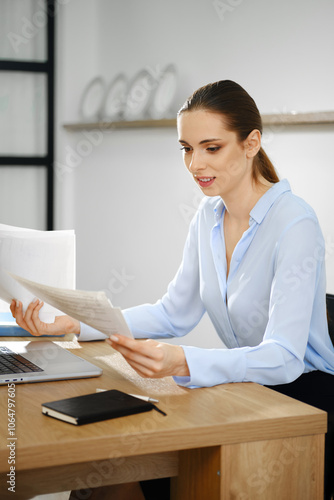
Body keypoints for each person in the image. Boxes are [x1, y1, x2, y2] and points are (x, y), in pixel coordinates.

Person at [11, 80, 334, 499]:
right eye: (186, 148)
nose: (195, 163)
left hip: (306, 400)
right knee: (112, 463)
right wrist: (74, 323)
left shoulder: (295, 223)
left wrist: (182, 361)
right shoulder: (208, 214)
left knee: (141, 465)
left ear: (251, 143)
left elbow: (285, 359)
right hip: (247, 387)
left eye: (211, 147)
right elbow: (174, 313)